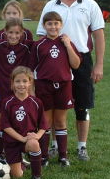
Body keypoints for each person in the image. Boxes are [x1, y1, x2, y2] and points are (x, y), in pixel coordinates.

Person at [36, 0, 105, 162]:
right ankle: (55, 146)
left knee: (82, 106)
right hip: (54, 61)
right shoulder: (51, 5)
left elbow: (99, 35)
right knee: (53, 106)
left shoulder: (90, 5)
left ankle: (82, 147)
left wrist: (98, 65)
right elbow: (41, 35)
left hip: (81, 59)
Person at [30, 11, 81, 167]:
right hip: (44, 85)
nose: (53, 26)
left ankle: (63, 156)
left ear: (61, 25)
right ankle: (44, 156)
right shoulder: (38, 45)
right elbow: (30, 70)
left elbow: (76, 64)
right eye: (49, 24)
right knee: (46, 122)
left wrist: (67, 45)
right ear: (44, 26)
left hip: (64, 85)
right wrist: (31, 90)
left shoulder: (67, 43)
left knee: (60, 121)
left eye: (56, 23)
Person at [0, 18, 32, 152]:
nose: (14, 36)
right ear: (5, 32)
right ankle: (1, 151)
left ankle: (19, 150)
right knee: (2, 122)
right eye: (11, 32)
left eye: (17, 33)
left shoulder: (27, 46)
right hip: (1, 89)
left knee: (19, 120)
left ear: (22, 33)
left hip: (19, 90)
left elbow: (45, 43)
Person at [0, 66, 48, 179]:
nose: (21, 84)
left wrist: (36, 136)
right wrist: (22, 138)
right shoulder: (7, 102)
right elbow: (5, 126)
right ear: (12, 83)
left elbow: (43, 126)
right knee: (17, 176)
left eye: (25, 81)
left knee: (34, 143)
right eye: (18, 81)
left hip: (28, 140)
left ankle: (36, 177)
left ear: (30, 83)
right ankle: (19, 162)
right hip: (12, 142)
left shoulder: (36, 102)